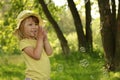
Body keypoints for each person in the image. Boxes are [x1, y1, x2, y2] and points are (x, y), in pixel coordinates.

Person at [14, 10, 53, 80]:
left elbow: (49, 52)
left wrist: (45, 38)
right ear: (22, 28)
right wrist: (40, 39)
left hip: (45, 78)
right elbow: (36, 55)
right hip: (33, 78)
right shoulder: (24, 42)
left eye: (36, 24)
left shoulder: (38, 40)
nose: (34, 27)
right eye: (30, 24)